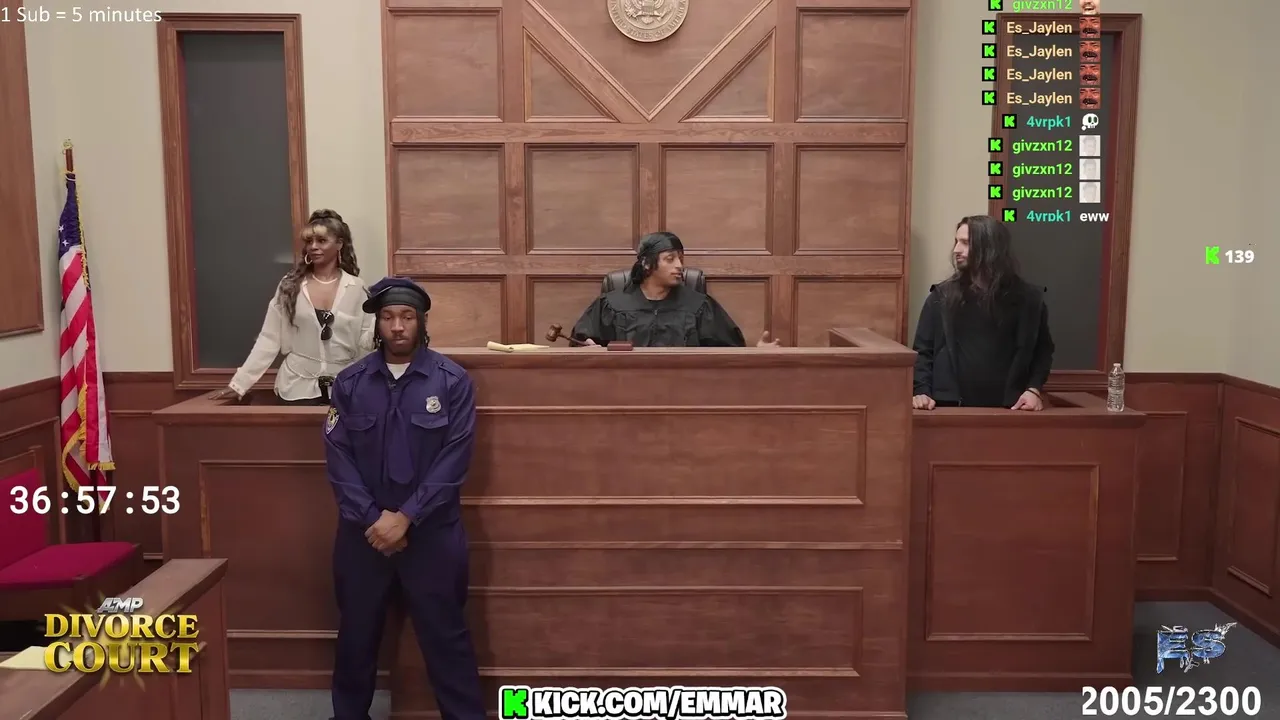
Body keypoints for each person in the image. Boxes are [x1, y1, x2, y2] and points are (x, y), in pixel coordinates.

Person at [323, 276, 484, 720]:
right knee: (356, 638)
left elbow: (454, 460)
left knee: (447, 638)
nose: (397, 326)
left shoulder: (452, 382)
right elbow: (338, 459)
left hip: (432, 534)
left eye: (407, 317)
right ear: (377, 324)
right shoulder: (351, 383)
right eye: (389, 317)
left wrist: (406, 517)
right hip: (364, 536)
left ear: (421, 322)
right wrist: (374, 520)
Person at [211, 209, 374, 404]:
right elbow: (269, 338)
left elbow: (366, 345)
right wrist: (239, 384)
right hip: (296, 388)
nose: (313, 247)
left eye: (322, 241)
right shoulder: (290, 286)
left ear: (339, 244)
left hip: (345, 390)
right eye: (309, 241)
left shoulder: (357, 288)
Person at [910, 215, 1054, 411]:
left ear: (989, 247)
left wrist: (1033, 390)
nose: (956, 250)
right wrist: (921, 390)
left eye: (965, 243)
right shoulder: (941, 297)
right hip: (949, 407)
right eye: (956, 242)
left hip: (1011, 408)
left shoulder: (1029, 300)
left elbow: (1042, 352)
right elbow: (923, 351)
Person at [570, 231, 779, 347]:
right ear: (647, 264)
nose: (679, 266)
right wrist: (587, 350)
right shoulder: (612, 305)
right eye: (670, 259)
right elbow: (581, 343)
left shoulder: (698, 305)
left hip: (685, 395)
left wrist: (756, 354)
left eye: (680, 259)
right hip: (625, 393)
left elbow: (729, 353)